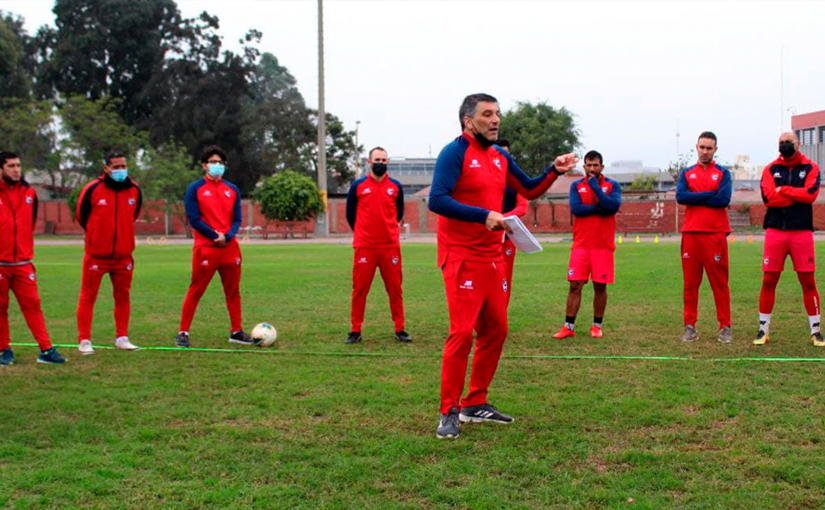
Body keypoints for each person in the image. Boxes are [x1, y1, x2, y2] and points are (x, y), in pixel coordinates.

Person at [428, 93, 577, 439]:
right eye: (487, 114)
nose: (495, 120)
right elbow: (437, 199)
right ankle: (448, 410)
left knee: (496, 329)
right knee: (462, 333)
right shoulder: (455, 153)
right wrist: (484, 216)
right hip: (462, 256)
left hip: (493, 257)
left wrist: (554, 170)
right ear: (468, 121)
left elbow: (529, 188)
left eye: (497, 114)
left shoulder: (497, 157)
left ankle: (474, 402)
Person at [175, 145, 253, 348]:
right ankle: (183, 332)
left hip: (230, 248)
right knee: (196, 289)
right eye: (213, 162)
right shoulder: (195, 188)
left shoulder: (232, 189)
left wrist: (227, 236)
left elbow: (237, 219)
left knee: (233, 291)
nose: (217, 166)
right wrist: (214, 235)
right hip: (206, 247)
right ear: (204, 165)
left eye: (220, 162)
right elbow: (194, 218)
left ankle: (236, 331)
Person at [754, 132, 823, 347]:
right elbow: (768, 199)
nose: (785, 145)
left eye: (789, 142)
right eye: (781, 143)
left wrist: (783, 190)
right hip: (775, 232)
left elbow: (810, 195)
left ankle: (816, 331)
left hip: (801, 232)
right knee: (768, 280)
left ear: (798, 144)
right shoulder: (770, 169)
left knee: (808, 281)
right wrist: (796, 196)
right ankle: (763, 330)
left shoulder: (811, 168)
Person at [0, 151, 66, 365]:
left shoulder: (29, 192)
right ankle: (4, 350)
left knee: (33, 306)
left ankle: (46, 349)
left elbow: (28, 223)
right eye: (11, 166)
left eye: (19, 165)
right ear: (1, 169)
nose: (17, 170)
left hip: (23, 263)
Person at [75, 151, 143, 354]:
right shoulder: (92, 189)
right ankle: (84, 340)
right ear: (106, 168)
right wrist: (97, 236)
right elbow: (81, 216)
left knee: (123, 296)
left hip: (123, 256)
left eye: (124, 166)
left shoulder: (135, 190)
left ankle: (122, 337)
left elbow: (134, 215)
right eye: (116, 167)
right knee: (88, 296)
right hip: (97, 255)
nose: (121, 170)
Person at [344, 146, 412, 344]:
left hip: (390, 246)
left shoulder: (396, 187)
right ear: (369, 162)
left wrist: (387, 230)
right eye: (377, 160)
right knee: (359, 290)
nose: (380, 163)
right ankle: (355, 330)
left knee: (395, 289)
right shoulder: (358, 186)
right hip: (365, 246)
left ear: (387, 162)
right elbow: (350, 215)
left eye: (384, 160)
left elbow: (398, 214)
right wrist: (363, 233)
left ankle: (400, 328)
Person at [553, 150, 621, 339]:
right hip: (581, 246)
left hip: (603, 246)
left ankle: (596, 326)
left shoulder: (612, 185)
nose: (592, 169)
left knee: (600, 286)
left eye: (595, 165)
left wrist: (596, 189)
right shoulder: (576, 186)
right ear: (584, 166)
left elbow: (613, 207)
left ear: (602, 167)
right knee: (575, 285)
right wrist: (599, 207)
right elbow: (577, 209)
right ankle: (568, 327)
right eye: (588, 165)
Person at [675, 132, 732, 343]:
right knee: (690, 284)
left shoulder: (723, 173)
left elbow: (723, 199)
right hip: (691, 234)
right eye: (702, 147)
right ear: (696, 147)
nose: (705, 151)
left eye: (709, 148)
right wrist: (710, 194)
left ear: (715, 149)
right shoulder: (687, 173)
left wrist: (696, 197)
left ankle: (725, 327)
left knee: (719, 283)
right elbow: (681, 197)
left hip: (715, 234)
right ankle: (690, 326)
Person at [496, 138, 530, 308]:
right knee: (482, 280)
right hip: (483, 239)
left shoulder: (515, 179)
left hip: (507, 238)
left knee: (504, 279)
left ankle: (501, 319)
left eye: (506, 154)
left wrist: (502, 219)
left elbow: (523, 206)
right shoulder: (481, 176)